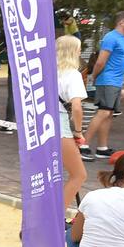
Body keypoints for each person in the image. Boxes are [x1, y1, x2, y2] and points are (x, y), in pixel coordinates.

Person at [82, 11, 124, 161]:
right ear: (122, 22)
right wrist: (94, 76)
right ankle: (83, 145)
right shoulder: (111, 37)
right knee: (103, 113)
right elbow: (100, 62)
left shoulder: (123, 38)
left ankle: (102, 148)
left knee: (109, 115)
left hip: (116, 82)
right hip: (108, 81)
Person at [55, 35, 88, 213]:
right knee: (78, 174)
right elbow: (76, 107)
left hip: (42, 124)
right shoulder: (73, 74)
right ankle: (56, 215)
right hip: (60, 125)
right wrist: (78, 131)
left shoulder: (47, 72)